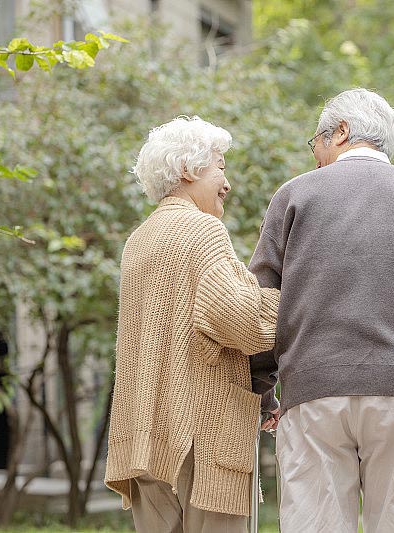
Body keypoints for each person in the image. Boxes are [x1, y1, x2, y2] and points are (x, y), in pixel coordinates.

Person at [248, 88, 394, 533]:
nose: (315, 156)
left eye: (315, 142)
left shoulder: (294, 196)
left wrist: (263, 392)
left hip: (312, 397)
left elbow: (259, 306)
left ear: (340, 133)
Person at [104, 116, 280, 532]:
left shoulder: (140, 240)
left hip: (144, 437)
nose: (227, 183)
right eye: (220, 166)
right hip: (200, 440)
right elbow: (247, 324)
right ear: (188, 169)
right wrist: (289, 297)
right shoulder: (202, 231)